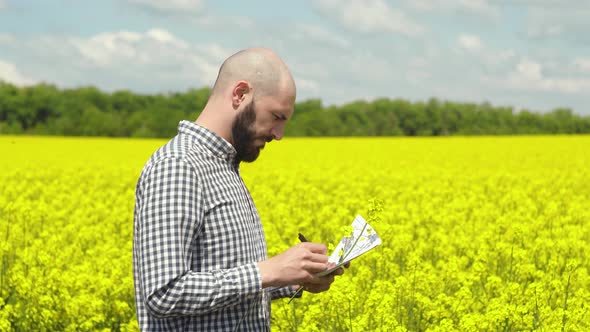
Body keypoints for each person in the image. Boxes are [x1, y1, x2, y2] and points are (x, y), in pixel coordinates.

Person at [132, 48, 345, 331]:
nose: (278, 134)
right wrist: (268, 270)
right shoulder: (179, 165)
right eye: (276, 116)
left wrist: (294, 278)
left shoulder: (225, 167)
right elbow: (163, 293)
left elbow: (232, 287)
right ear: (240, 94)